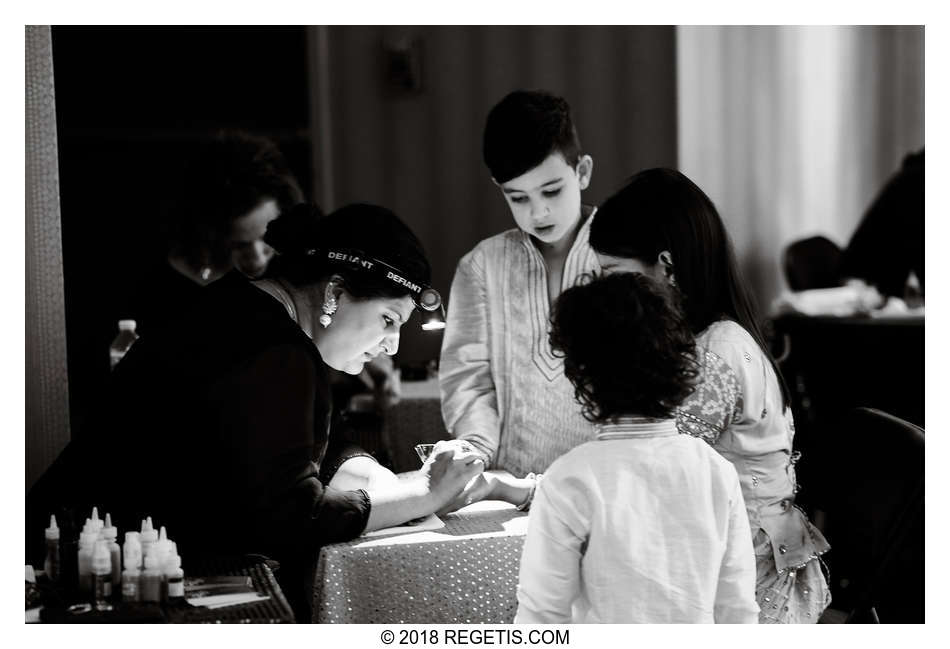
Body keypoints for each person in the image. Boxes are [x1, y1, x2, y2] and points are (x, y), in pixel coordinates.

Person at [26, 203, 484, 622]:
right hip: (86, 574)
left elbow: (291, 448)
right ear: (335, 293)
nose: (392, 345)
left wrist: (368, 473)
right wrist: (423, 491)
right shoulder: (271, 350)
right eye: (389, 320)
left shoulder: (249, 311)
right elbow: (289, 516)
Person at [589, 168, 831, 623]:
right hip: (727, 556)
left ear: (665, 264)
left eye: (614, 273)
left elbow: (651, 475)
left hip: (753, 582)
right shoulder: (709, 337)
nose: (607, 290)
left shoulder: (716, 352)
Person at [515, 273, 759, 623]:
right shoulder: (714, 470)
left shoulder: (570, 478)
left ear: (581, 373)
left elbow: (541, 619)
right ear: (679, 360)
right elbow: (737, 612)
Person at [438, 89, 599, 511]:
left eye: (551, 191)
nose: (538, 212)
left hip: (608, 486)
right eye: (518, 198)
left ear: (582, 171)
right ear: (500, 190)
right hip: (508, 488)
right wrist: (474, 454)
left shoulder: (623, 256)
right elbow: (467, 379)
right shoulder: (481, 266)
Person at [125, 130, 304, 337]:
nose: (257, 257)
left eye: (268, 236)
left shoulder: (295, 270)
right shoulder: (162, 294)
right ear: (210, 236)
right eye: (240, 245)